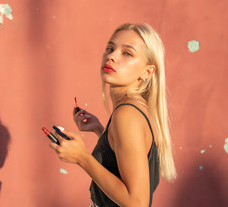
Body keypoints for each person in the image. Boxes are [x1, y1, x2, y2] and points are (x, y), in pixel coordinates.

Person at [49, 23, 177, 207]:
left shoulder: (127, 115)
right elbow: (126, 162)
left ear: (147, 71)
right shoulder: (138, 108)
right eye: (110, 48)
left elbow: (137, 203)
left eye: (127, 53)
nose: (111, 56)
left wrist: (81, 157)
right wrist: (102, 132)